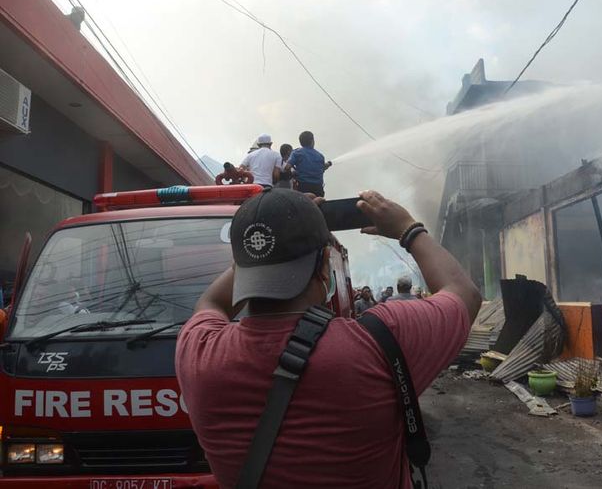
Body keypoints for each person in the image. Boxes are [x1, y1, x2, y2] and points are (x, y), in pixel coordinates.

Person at [175, 188, 481, 488]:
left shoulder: (199, 352)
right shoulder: (382, 339)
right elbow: (463, 294)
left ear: (240, 268)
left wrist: (256, 251)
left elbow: (210, 303)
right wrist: (409, 229)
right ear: (325, 264)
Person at [284, 131, 332, 197]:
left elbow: (287, 167)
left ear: (300, 142)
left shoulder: (296, 153)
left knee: (303, 206)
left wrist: (293, 173)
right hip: (318, 188)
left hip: (303, 187)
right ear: (312, 141)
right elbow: (322, 169)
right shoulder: (320, 156)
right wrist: (328, 164)